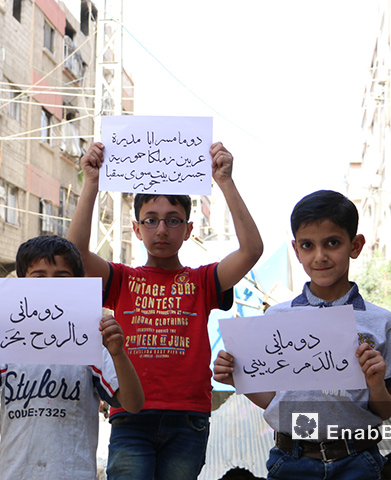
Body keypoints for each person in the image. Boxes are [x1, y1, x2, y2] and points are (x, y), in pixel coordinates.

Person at [67, 141, 264, 479]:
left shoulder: (203, 281)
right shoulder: (121, 279)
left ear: (189, 230)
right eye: (151, 220)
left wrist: (225, 182)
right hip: (130, 416)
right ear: (136, 228)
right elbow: (75, 255)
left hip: (188, 418)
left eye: (173, 221)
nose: (161, 230)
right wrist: (91, 183)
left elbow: (251, 249)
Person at [214, 190, 391, 480]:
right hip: (291, 460)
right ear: (296, 250)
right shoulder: (277, 319)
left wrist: (376, 384)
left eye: (332, 243)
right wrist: (237, 378)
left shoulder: (380, 322)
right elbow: (275, 400)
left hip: (357, 462)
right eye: (308, 245)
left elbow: (384, 409)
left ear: (356, 245)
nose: (320, 256)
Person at [0, 234, 144, 479]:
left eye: (62, 276)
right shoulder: (4, 343)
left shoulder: (90, 343)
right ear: (21, 283)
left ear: (79, 283)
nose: (50, 284)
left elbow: (133, 404)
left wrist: (118, 354)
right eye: (39, 276)